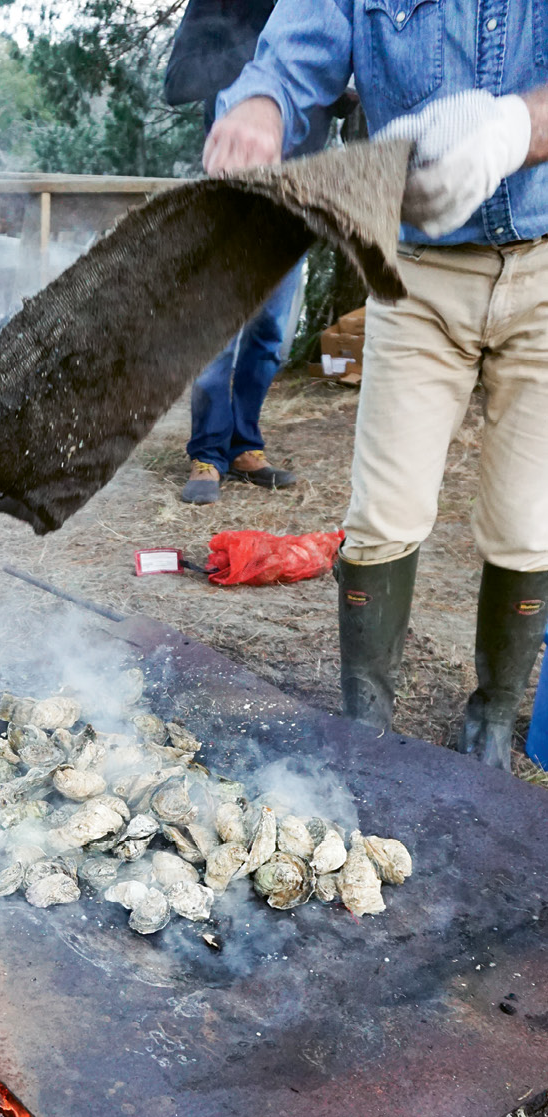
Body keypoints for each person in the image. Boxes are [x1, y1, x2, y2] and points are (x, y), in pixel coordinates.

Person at [203, 1, 548, 770]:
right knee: (383, 514)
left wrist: (511, 129)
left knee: (529, 522)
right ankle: (365, 728)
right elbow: (294, 56)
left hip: (545, 268)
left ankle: (491, 721)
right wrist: (260, 107)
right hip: (415, 276)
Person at [165, 0, 318, 505]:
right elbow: (178, 83)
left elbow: (331, 78)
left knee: (269, 332)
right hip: (230, 196)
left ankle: (244, 446)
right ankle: (207, 452)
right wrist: (263, 72)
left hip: (294, 194)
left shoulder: (316, 8)